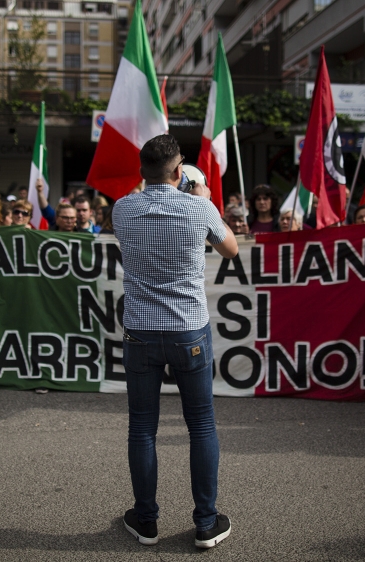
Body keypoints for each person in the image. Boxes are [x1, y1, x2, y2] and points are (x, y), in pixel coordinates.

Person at [113, 134, 238, 549]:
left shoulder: (122, 208)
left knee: (141, 427)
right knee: (200, 425)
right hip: (189, 330)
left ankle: (146, 520)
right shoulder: (199, 207)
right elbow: (230, 250)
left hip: (140, 331)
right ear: (179, 170)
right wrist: (205, 200)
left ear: (141, 170)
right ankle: (206, 522)